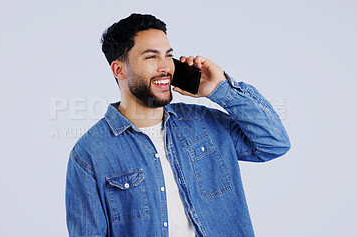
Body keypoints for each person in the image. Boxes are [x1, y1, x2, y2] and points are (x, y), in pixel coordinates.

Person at [65, 13, 290, 237]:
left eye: (168, 55)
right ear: (119, 70)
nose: (166, 67)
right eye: (151, 57)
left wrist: (220, 89)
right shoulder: (89, 154)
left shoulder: (205, 123)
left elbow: (274, 143)